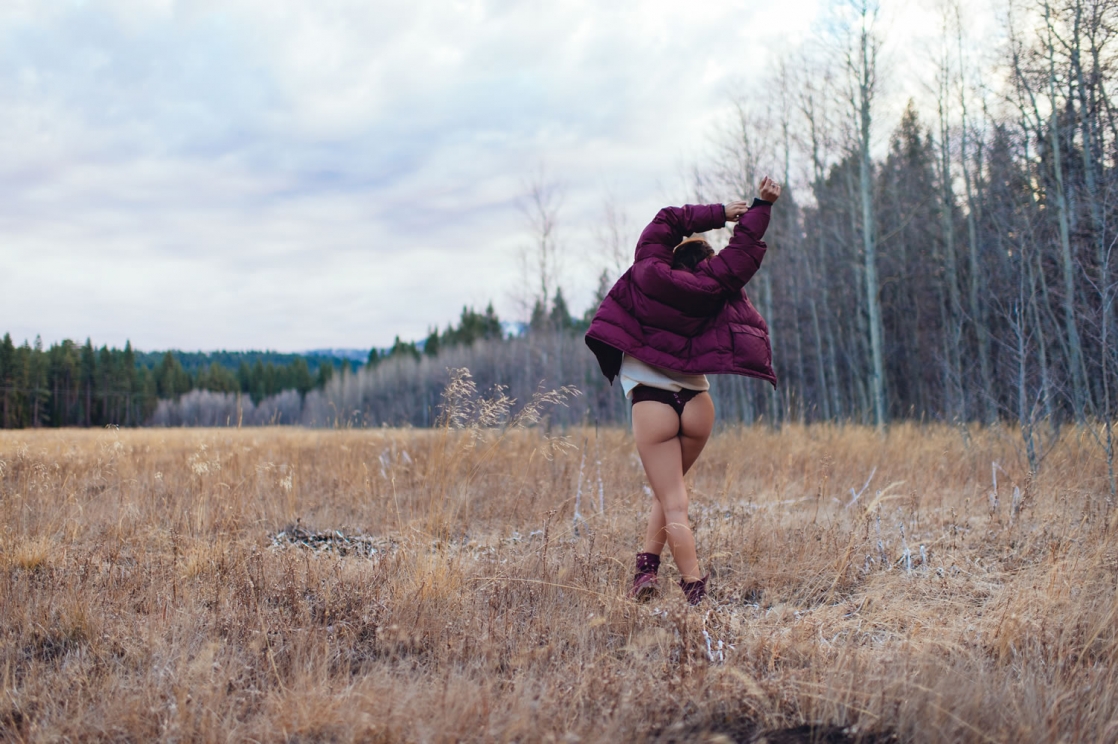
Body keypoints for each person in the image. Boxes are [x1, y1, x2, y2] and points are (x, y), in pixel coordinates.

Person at [585, 177, 782, 604]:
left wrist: (720, 212)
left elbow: (667, 220)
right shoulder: (713, 286)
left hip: (652, 402)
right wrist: (761, 206)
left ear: (672, 254)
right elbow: (742, 254)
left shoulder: (649, 270)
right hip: (697, 404)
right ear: (705, 264)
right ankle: (645, 569)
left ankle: (695, 594)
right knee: (669, 491)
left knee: (674, 501)